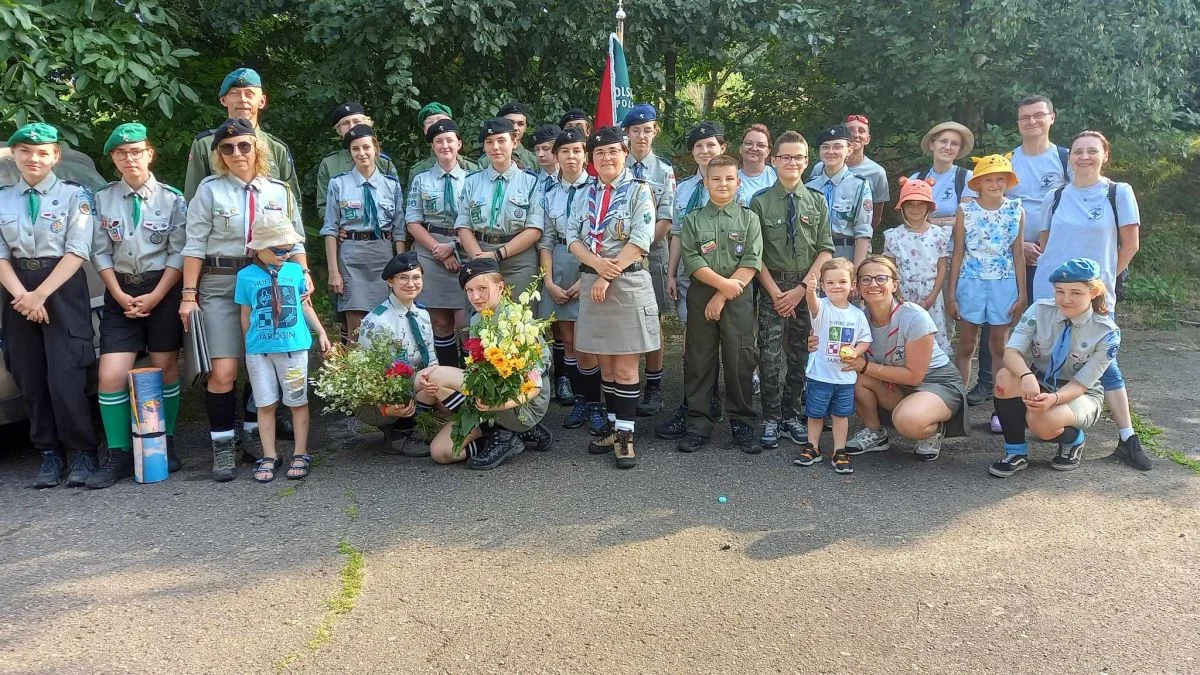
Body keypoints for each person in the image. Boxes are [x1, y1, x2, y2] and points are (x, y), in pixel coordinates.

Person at [180, 118, 310, 482]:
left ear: (257, 148)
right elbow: (193, 245)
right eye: (228, 147)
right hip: (221, 282)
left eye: (244, 145)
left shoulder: (279, 191)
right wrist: (188, 295)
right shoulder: (209, 190)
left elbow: (295, 240)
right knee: (224, 372)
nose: (237, 153)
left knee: (263, 363)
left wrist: (304, 278)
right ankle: (223, 445)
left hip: (270, 280)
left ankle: (255, 437)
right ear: (218, 154)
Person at [1031, 131, 1150, 471]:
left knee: (1103, 360)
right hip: (1051, 292)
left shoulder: (1117, 193)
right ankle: (1047, 416)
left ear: (1104, 156)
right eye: (1078, 151)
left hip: (1095, 296)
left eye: (1092, 151)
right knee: (1047, 352)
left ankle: (1127, 436)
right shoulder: (1055, 195)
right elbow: (1046, 242)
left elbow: (1130, 245)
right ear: (1070, 157)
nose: (1084, 157)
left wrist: (1103, 284)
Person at [0, 123, 100, 488]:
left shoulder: (76, 196)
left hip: (60, 287)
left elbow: (77, 251)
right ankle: (48, 454)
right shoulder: (3, 197)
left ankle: (83, 453)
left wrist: (40, 295)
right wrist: (23, 297)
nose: (33, 158)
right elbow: (0, 256)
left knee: (66, 374)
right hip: (15, 290)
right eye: (25, 151)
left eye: (42, 152)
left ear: (55, 156)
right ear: (16, 155)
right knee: (29, 374)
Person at [89, 123, 187, 489]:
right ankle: (117, 452)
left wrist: (158, 295)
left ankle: (165, 439)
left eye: (136, 151)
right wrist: (116, 293)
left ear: (150, 153)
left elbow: (179, 252)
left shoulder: (172, 199)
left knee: (164, 370)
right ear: (114, 159)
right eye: (121, 153)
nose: (129, 158)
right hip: (120, 292)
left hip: (161, 290)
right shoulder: (101, 199)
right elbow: (99, 251)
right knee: (111, 374)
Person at [567, 126, 659, 469]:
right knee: (604, 363)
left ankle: (625, 435)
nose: (606, 158)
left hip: (628, 283)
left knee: (624, 366)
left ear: (624, 154)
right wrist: (596, 268)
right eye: (600, 153)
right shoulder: (583, 193)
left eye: (613, 152)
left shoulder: (638, 191)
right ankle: (610, 425)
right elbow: (572, 238)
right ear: (592, 159)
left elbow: (641, 239)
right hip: (594, 282)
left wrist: (608, 274)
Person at [971, 95, 1072, 408]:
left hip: (1053, 255)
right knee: (998, 320)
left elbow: (1071, 205)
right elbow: (995, 209)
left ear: (1051, 118)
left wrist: (1047, 245)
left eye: (1038, 115)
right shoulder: (1007, 160)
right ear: (1018, 123)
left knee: (1049, 319)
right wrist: (1021, 244)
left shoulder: (1065, 159)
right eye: (1025, 117)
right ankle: (989, 382)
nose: (1032, 122)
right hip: (1007, 255)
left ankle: (1048, 382)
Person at [988, 258, 1119, 477]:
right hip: (1040, 379)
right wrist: (1026, 375)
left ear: (1094, 292)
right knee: (1004, 378)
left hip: (1081, 392)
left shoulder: (1106, 332)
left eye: (1075, 293)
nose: (1065, 300)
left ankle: (1073, 440)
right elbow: (1011, 352)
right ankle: (1015, 452)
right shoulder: (1040, 310)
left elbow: (1081, 383)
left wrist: (1054, 399)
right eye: (1060, 291)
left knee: (1041, 423)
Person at [418, 258, 553, 470]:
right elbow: (475, 369)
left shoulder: (517, 321)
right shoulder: (477, 319)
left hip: (522, 406)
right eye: (469, 290)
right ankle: (506, 436)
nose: (475, 297)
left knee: (437, 375)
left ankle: (514, 428)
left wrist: (501, 405)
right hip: (489, 401)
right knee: (441, 452)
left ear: (500, 287)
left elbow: (535, 384)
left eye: (482, 288)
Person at [658, 121, 743, 439]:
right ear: (692, 152)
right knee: (695, 344)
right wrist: (670, 271)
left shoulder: (736, 184)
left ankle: (722, 405)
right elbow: (677, 234)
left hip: (728, 277)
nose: (705, 151)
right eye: (699, 146)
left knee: (729, 344)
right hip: (689, 275)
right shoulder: (682, 189)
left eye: (711, 145)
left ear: (723, 148)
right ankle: (695, 404)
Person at [841, 255, 969, 462]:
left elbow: (915, 376)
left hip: (935, 382)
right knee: (850, 374)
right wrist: (817, 342)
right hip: (894, 378)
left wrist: (865, 366)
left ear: (894, 284)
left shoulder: (914, 316)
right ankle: (875, 433)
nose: (873, 284)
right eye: (866, 279)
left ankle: (935, 428)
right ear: (857, 286)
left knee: (908, 421)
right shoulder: (858, 318)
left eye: (881, 278)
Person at [752, 130, 833, 451]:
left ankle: (791, 415)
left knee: (801, 352)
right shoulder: (759, 203)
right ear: (773, 160)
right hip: (772, 287)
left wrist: (803, 288)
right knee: (769, 353)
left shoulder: (816, 200)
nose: (792, 163)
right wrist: (775, 292)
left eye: (798, 157)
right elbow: (753, 255)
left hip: (806, 287)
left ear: (806, 161)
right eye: (785, 157)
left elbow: (825, 249)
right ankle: (771, 416)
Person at [676, 154, 763, 454]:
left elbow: (752, 260)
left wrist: (723, 293)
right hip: (702, 294)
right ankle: (699, 423)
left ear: (739, 183)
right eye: (716, 179)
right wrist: (718, 287)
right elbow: (692, 259)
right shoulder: (693, 219)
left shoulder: (749, 218)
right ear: (706, 182)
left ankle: (742, 423)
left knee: (740, 359)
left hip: (738, 297)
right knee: (699, 360)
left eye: (729, 178)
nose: (723, 184)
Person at [235, 215, 332, 482]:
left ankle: (301, 452)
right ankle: (269, 455)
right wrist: (248, 345)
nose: (284, 254)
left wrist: (321, 332)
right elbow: (246, 314)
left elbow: (304, 305)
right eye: (277, 250)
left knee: (297, 401)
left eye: (288, 249)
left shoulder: (294, 272)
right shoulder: (245, 277)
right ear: (257, 248)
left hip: (293, 347)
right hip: (260, 351)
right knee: (265, 403)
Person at [947, 154, 1026, 433]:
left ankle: (1001, 407)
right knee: (967, 343)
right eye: (989, 179)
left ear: (1008, 182)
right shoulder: (966, 211)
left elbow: (1017, 253)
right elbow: (958, 252)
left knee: (999, 346)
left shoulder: (1016, 209)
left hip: (1003, 283)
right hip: (971, 281)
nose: (995, 184)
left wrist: (1022, 293)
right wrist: (951, 294)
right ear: (978, 184)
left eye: (1000, 179)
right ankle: (956, 406)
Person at [315, 102, 399, 346]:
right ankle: (356, 380)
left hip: (382, 252)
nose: (362, 153)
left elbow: (398, 222)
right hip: (350, 252)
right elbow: (328, 218)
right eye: (355, 149)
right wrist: (333, 269)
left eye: (366, 147)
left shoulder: (387, 172)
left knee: (388, 321)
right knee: (354, 326)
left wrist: (400, 262)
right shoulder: (334, 174)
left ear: (375, 146)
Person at [352, 252, 440, 456]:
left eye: (416, 277)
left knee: (443, 391)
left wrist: (432, 379)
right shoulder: (377, 321)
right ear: (390, 282)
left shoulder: (422, 314)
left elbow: (431, 356)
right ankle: (398, 433)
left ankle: (417, 426)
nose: (411, 283)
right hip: (386, 390)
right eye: (403, 278)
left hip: (418, 382)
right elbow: (369, 373)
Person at [621, 103, 676, 417]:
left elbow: (666, 218)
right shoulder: (616, 164)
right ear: (626, 133)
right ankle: (625, 383)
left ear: (655, 131)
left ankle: (654, 387)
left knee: (653, 321)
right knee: (623, 319)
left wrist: (637, 246)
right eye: (635, 130)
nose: (641, 135)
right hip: (616, 255)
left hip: (653, 252)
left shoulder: (664, 170)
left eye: (647, 129)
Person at [793, 258, 871, 474]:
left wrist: (856, 351)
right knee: (815, 414)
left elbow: (865, 340)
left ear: (852, 285)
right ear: (823, 286)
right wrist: (809, 290)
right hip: (820, 374)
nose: (836, 287)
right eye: (830, 283)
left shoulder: (857, 315)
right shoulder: (821, 308)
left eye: (842, 282)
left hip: (844, 377)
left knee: (841, 415)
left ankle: (839, 450)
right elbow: (812, 302)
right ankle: (813, 446)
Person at [454, 118, 544, 302]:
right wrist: (479, 258)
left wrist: (497, 254)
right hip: (480, 257)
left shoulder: (531, 182)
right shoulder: (472, 181)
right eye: (489, 142)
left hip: (519, 262)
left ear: (515, 143)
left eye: (501, 141)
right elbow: (463, 225)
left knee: (521, 323)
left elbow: (534, 230)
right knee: (484, 320)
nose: (495, 147)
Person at [404, 118, 470, 368]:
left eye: (449, 140)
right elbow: (413, 222)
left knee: (466, 323)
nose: (445, 145)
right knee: (440, 323)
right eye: (438, 141)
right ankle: (448, 386)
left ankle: (471, 385)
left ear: (459, 144)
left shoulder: (472, 179)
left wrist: (452, 246)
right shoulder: (421, 180)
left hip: (463, 248)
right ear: (433, 147)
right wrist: (439, 250)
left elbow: (475, 222)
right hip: (430, 253)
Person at [538, 127, 590, 428]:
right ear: (556, 156)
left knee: (587, 340)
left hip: (588, 266)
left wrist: (585, 280)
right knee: (568, 338)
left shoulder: (597, 189)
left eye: (576, 151)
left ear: (585, 155)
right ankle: (579, 401)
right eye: (565, 151)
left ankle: (593, 399)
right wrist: (548, 282)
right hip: (557, 264)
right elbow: (544, 241)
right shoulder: (547, 193)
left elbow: (600, 240)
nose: (571, 157)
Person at [183, 68, 299, 202]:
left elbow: (292, 203)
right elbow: (193, 200)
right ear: (223, 100)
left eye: (249, 94)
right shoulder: (205, 144)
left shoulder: (277, 148)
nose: (242, 99)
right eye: (235, 94)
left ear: (262, 101)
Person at [883, 177, 951, 353]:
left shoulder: (938, 235)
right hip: (902, 295)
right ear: (902, 207)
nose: (915, 209)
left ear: (929, 207)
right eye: (910, 204)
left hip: (931, 295)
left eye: (921, 204)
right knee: (904, 338)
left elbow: (942, 268)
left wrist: (930, 298)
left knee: (931, 339)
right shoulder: (894, 236)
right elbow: (889, 270)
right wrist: (897, 297)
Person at [805, 125, 873, 265]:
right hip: (813, 257)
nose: (831, 152)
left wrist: (856, 271)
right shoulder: (808, 187)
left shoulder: (859, 185)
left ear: (849, 150)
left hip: (844, 255)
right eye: (825, 147)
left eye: (837, 147)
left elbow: (863, 232)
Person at [810, 114, 889, 227]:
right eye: (850, 130)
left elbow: (875, 218)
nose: (856, 134)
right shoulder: (820, 168)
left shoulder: (877, 172)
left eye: (861, 131)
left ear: (868, 139)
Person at [911, 121, 977, 227]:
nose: (948, 147)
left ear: (959, 150)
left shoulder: (967, 178)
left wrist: (931, 221)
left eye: (954, 144)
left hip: (955, 243)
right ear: (932, 145)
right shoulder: (915, 180)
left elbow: (968, 219)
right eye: (943, 141)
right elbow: (909, 218)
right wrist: (950, 221)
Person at [407, 102, 479, 185]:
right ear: (424, 130)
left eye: (440, 120)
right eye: (429, 122)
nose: (436, 124)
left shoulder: (473, 169)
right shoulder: (418, 171)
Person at [737, 124, 778, 198]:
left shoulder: (777, 175)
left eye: (760, 145)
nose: (754, 148)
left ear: (768, 152)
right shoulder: (730, 178)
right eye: (748, 143)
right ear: (740, 148)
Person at [496, 100, 539, 170]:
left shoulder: (535, 161)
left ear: (525, 128)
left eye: (520, 124)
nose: (515, 128)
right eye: (510, 122)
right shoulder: (487, 160)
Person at [530, 124, 561, 195]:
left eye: (546, 149)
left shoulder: (569, 180)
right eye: (537, 149)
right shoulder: (531, 181)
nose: (540, 154)